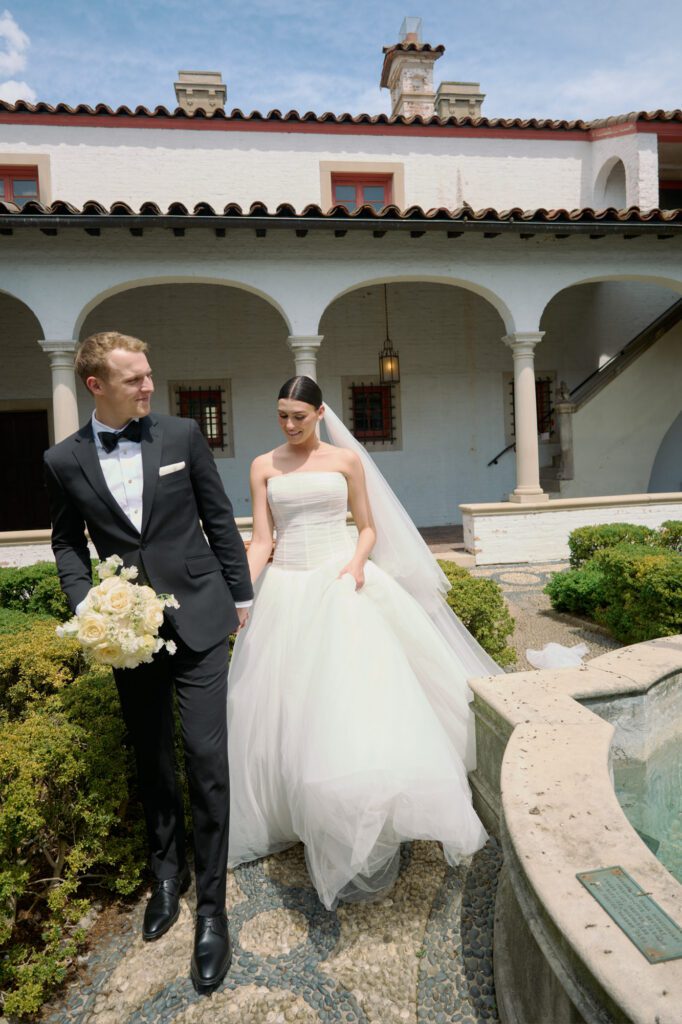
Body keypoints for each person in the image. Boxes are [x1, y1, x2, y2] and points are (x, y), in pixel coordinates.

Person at [227, 375, 499, 910]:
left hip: (340, 579)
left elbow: (368, 527)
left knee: (351, 699)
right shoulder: (263, 465)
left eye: (298, 417)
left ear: (320, 413)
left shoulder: (345, 461)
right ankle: (296, 810)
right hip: (287, 589)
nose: (289, 425)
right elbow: (262, 541)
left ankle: (367, 806)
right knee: (282, 702)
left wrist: (354, 567)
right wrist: (238, 595)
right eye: (282, 415)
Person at [43, 332, 253, 995]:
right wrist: (88, 608)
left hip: (200, 617)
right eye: (134, 378)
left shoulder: (184, 435)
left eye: (149, 374)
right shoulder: (63, 459)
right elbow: (66, 541)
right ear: (95, 385)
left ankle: (213, 912)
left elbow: (218, 517)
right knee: (153, 756)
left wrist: (241, 594)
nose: (148, 386)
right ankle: (167, 875)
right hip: (128, 633)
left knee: (205, 757)